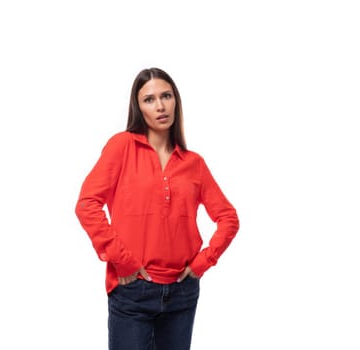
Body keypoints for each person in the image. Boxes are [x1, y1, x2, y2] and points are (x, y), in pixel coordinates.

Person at [75, 67, 240, 350]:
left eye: (166, 96)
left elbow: (228, 218)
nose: (160, 106)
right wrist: (121, 258)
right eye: (149, 99)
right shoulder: (122, 147)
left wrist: (202, 262)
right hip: (132, 290)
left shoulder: (193, 163)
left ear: (176, 100)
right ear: (138, 108)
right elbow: (87, 204)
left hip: (182, 293)